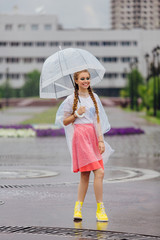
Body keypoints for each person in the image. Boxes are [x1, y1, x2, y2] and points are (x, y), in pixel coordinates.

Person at [55, 69, 114, 222]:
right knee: (99, 172)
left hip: (93, 137)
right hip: (80, 137)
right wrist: (77, 114)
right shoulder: (70, 99)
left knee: (85, 175)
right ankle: (100, 209)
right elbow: (65, 121)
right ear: (76, 81)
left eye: (87, 78)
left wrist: (100, 140)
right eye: (82, 78)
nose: (86, 81)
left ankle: (78, 209)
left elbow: (97, 121)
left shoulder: (94, 97)